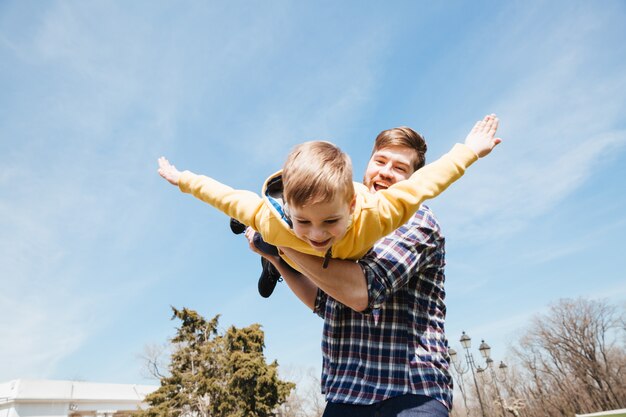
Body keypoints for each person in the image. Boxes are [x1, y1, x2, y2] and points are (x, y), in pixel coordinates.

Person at [244, 120, 501, 416]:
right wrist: (278, 258)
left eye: (400, 168)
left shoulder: (417, 220)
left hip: (410, 391)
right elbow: (321, 300)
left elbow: (360, 292)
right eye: (380, 161)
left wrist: (282, 241)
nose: (386, 171)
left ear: (413, 181)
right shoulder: (341, 230)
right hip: (346, 392)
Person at [157, 115, 499, 293]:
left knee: (276, 236)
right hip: (276, 228)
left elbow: (427, 183)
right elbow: (224, 195)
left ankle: (264, 240)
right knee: (260, 227)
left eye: (329, 222)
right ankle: (256, 236)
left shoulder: (381, 214)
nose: (317, 234)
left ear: (351, 207)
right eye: (305, 221)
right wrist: (183, 180)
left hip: (319, 243)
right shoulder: (278, 219)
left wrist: (469, 151)